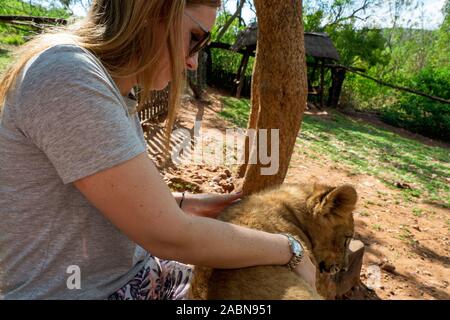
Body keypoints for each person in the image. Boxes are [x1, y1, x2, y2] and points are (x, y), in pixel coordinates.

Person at [0, 0, 316, 300]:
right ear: (153, 10)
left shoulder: (112, 90)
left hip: (132, 278)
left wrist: (181, 203)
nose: (193, 62)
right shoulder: (68, 77)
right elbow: (167, 236)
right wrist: (290, 248)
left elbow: (117, 203)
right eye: (195, 39)